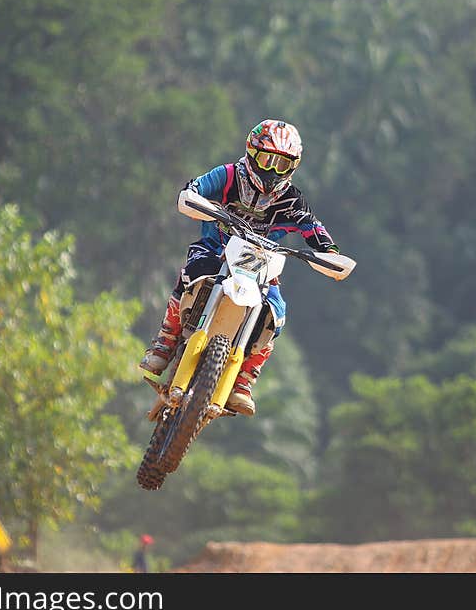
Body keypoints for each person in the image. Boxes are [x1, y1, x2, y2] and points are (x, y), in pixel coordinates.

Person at [140, 120, 340, 416]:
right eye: (266, 159)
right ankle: (166, 339)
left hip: (261, 269)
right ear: (251, 151)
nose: (272, 170)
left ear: (293, 167)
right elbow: (194, 188)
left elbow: (315, 230)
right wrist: (193, 197)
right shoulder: (229, 176)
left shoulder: (291, 200)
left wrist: (330, 253)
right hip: (216, 249)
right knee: (192, 271)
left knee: (277, 312)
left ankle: (244, 378)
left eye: (281, 164)